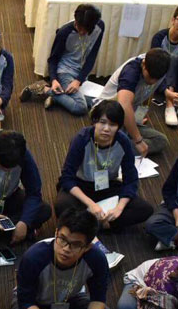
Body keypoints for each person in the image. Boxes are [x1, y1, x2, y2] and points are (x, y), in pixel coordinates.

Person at [8, 209, 119, 309]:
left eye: (75, 245)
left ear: (87, 247)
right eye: (62, 239)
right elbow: (26, 302)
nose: (66, 249)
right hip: (36, 302)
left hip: (71, 299)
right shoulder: (34, 256)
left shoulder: (96, 259)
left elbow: (98, 299)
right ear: (56, 233)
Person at [55, 100, 153, 233]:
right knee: (62, 205)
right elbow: (67, 177)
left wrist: (119, 208)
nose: (106, 129)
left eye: (112, 124)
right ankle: (99, 224)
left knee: (144, 209)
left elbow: (131, 180)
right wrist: (91, 204)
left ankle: (92, 225)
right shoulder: (82, 139)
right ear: (94, 122)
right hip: (81, 185)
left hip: (107, 185)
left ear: (118, 127)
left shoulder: (123, 142)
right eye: (102, 122)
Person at [19, 4, 104, 116]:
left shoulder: (99, 26)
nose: (81, 32)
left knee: (104, 100)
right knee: (80, 107)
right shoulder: (64, 32)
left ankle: (57, 98)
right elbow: (53, 59)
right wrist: (54, 80)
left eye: (85, 30)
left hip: (81, 74)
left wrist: (79, 80)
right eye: (79, 27)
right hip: (65, 71)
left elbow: (92, 56)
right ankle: (44, 89)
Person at [98, 49, 172, 157]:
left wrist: (137, 118)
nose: (152, 81)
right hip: (107, 116)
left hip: (127, 117)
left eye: (156, 79)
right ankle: (114, 147)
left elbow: (147, 93)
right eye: (150, 76)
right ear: (143, 64)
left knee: (161, 140)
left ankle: (114, 147)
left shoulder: (161, 69)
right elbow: (124, 106)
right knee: (126, 137)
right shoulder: (131, 71)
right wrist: (138, 140)